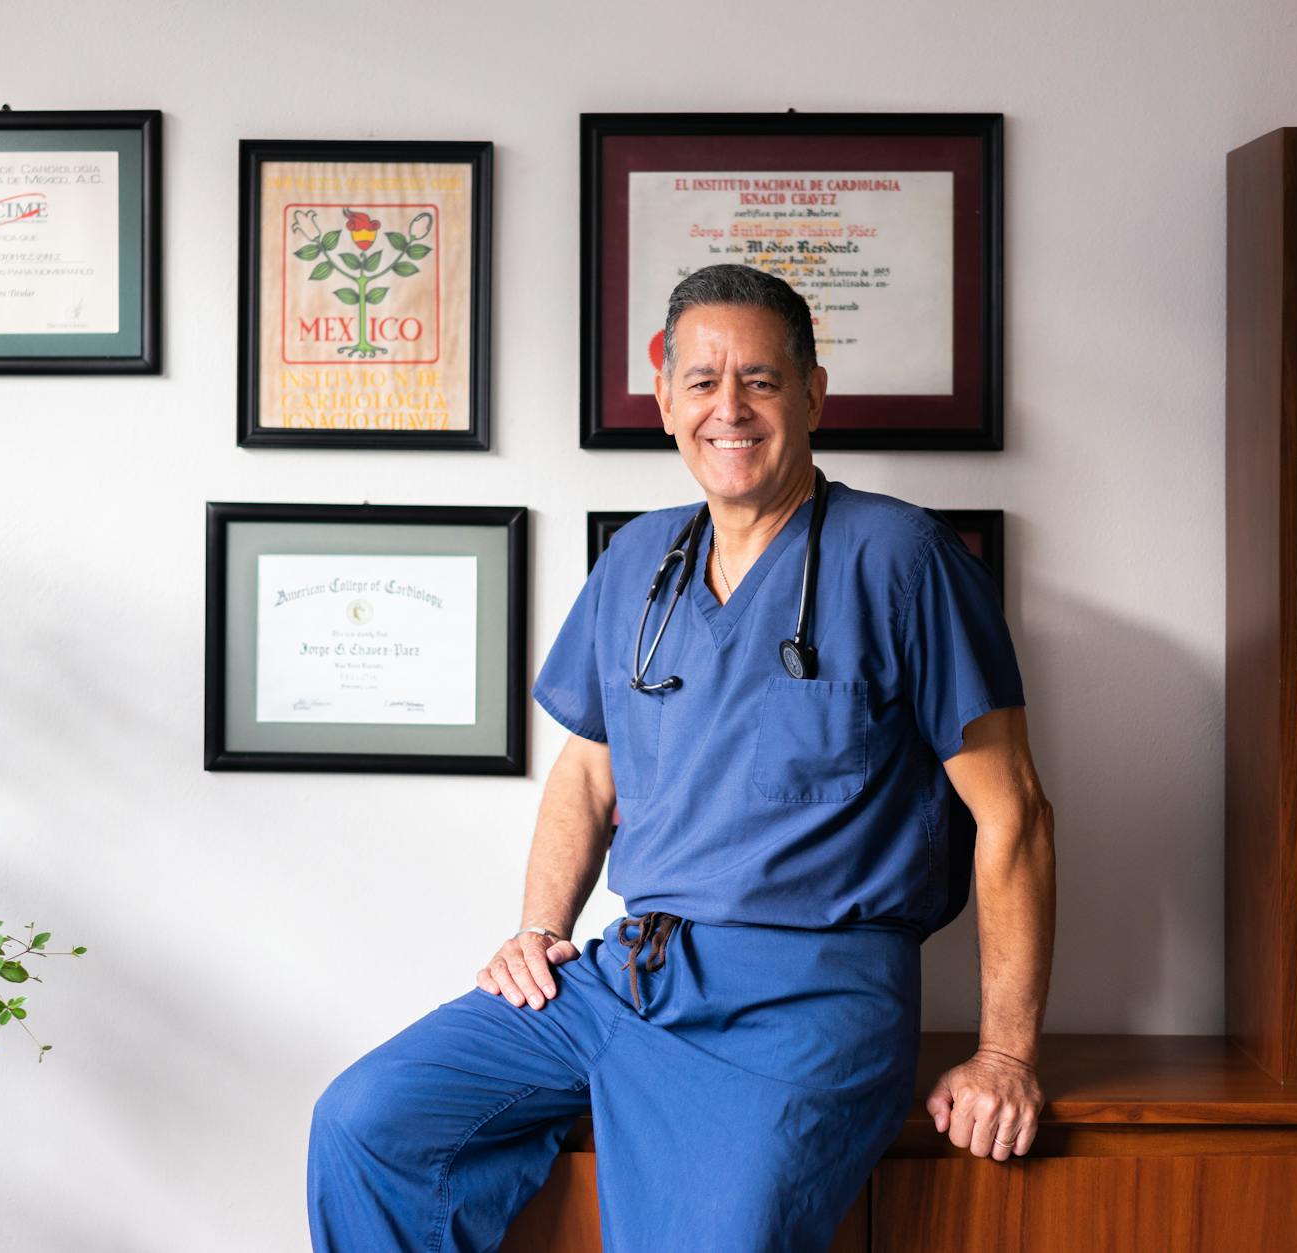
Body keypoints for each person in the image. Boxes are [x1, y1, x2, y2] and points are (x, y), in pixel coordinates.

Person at [307, 263, 1056, 1251]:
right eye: (701, 381)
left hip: (806, 1002)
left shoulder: (900, 558)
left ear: (812, 394)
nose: (728, 407)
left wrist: (1003, 1050)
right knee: (367, 1123)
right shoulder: (638, 561)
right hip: (627, 974)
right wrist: (538, 928)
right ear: (663, 401)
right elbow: (585, 771)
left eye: (759, 378)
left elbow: (1013, 816)